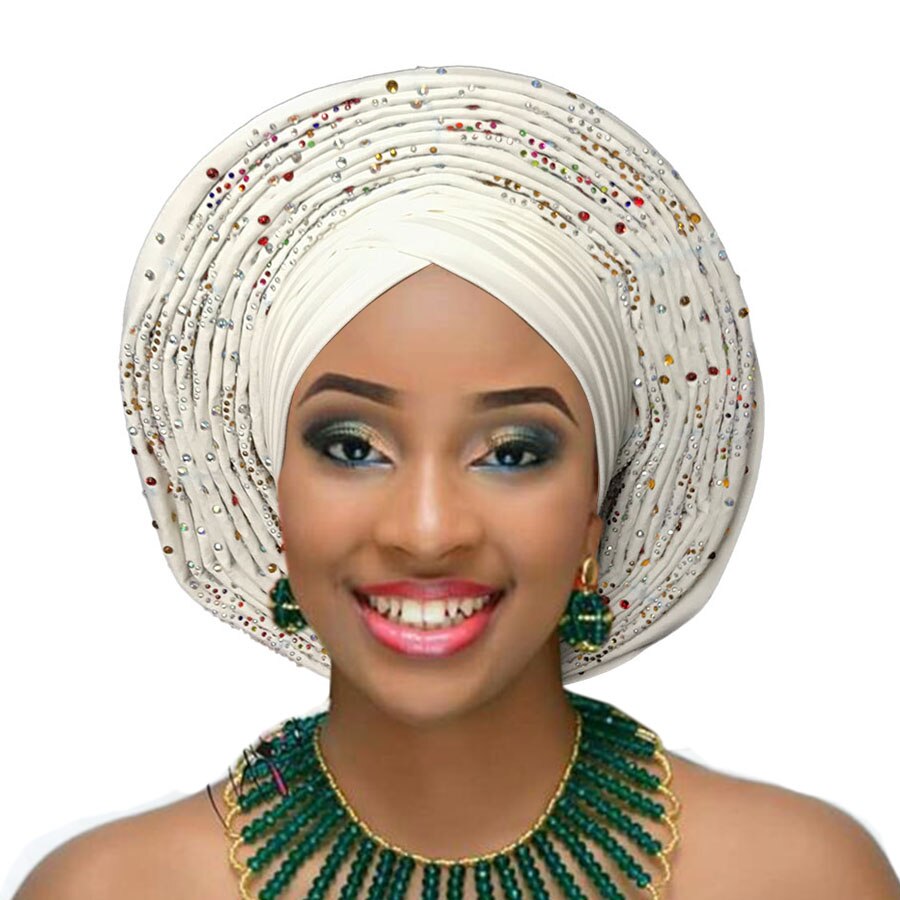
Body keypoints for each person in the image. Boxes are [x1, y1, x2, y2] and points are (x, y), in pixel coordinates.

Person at [14, 64, 899, 900]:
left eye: (512, 452)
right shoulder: (106, 888)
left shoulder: (804, 877)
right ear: (269, 495)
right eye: (352, 447)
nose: (427, 530)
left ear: (599, 512)